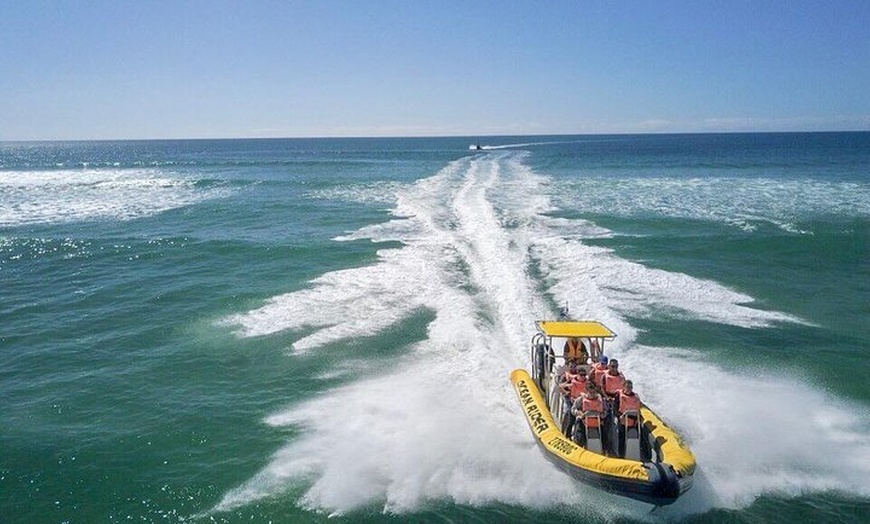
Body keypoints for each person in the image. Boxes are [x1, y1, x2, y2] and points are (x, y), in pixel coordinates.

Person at [571, 380, 606, 450]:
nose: (592, 394)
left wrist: (603, 414)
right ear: (587, 391)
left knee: (606, 436)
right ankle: (578, 446)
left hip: (597, 423)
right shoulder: (580, 400)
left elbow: (605, 411)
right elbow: (573, 410)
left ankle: (606, 450)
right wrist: (579, 413)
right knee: (579, 437)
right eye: (591, 392)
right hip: (583, 422)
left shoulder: (601, 400)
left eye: (594, 392)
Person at [617, 380, 642, 457]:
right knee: (621, 437)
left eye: (630, 387)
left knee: (638, 435)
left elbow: (638, 409)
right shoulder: (619, 396)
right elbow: (615, 409)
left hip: (634, 421)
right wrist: (620, 416)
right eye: (627, 387)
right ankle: (621, 454)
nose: (629, 389)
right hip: (623, 421)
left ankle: (640, 454)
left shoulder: (636, 397)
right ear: (624, 387)